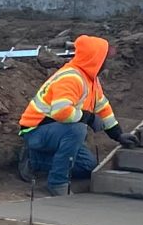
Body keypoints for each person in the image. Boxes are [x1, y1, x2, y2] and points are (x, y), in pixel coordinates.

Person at [17, 34, 131, 196]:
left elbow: (102, 106)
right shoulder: (71, 78)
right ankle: (57, 183)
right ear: (95, 58)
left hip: (55, 132)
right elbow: (61, 112)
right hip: (36, 132)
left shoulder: (90, 80)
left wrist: (118, 135)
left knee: (88, 166)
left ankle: (35, 161)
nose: (106, 62)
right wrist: (89, 118)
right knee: (77, 130)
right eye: (104, 58)